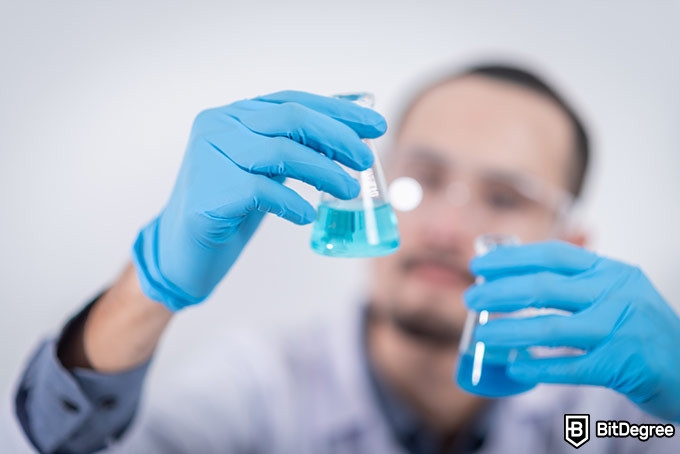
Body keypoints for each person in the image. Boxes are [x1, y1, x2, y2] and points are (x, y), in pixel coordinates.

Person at [3, 63, 680, 453]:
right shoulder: (258, 394)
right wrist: (148, 286)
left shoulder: (601, 421)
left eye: (504, 197)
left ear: (572, 246)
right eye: (419, 180)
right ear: (369, 191)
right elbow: (64, 446)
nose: (446, 227)